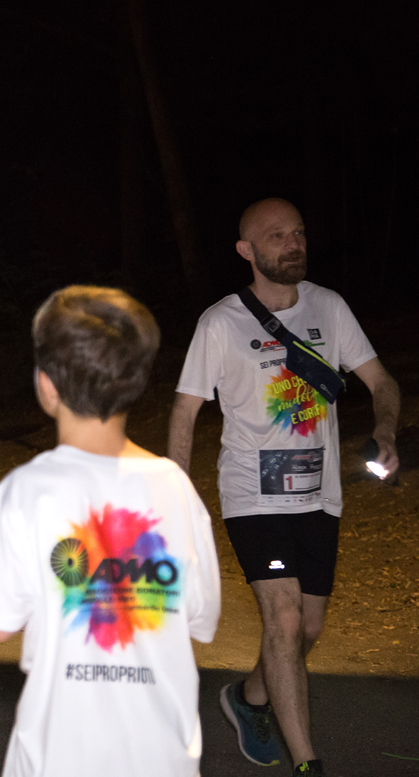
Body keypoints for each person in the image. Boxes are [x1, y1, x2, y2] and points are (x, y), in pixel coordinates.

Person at [168, 198, 400, 776]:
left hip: (320, 495)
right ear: (246, 250)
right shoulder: (221, 323)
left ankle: (250, 697)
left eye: (298, 232)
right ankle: (307, 764)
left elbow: (380, 380)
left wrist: (385, 428)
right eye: (277, 236)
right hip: (252, 495)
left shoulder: (330, 307)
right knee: (286, 618)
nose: (293, 243)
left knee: (308, 628)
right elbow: (185, 410)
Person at [0, 286, 221, 777]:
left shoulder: (26, 491)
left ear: (46, 385)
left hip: (59, 755)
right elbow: (200, 618)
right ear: (137, 382)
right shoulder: (176, 488)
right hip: (162, 759)